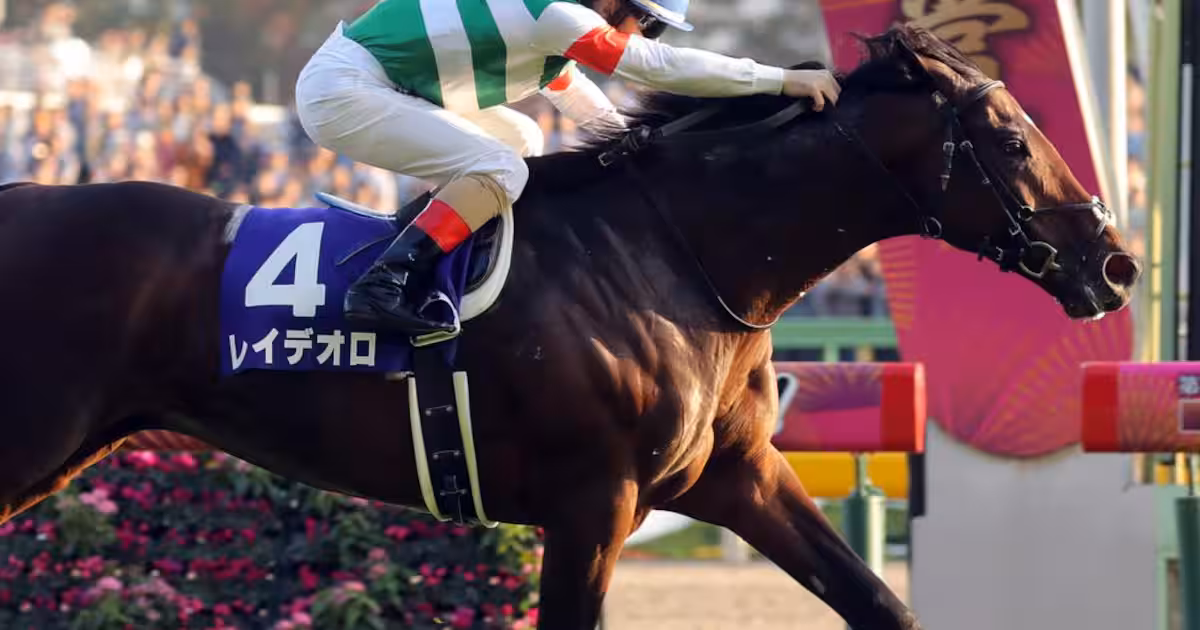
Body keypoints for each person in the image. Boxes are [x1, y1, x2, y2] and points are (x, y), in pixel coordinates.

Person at [294, 0, 841, 335]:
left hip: (380, 84)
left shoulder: (548, 28)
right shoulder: (556, 16)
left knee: (522, 139)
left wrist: (628, 143)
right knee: (502, 167)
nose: (644, 36)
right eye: (647, 22)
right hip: (345, 89)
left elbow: (576, 96)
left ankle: (455, 263)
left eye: (654, 29)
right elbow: (654, 68)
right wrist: (780, 80)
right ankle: (385, 283)